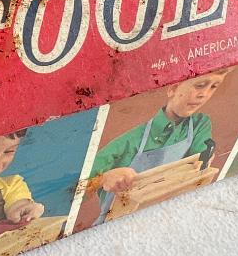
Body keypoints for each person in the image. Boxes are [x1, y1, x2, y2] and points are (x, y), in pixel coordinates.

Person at [78, 70, 228, 229]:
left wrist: (205, 159)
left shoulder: (199, 124)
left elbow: (200, 161)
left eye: (214, 87)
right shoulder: (131, 140)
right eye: (199, 85)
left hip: (167, 215)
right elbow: (76, 188)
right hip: (117, 224)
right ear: (173, 88)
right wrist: (103, 178)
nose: (204, 94)